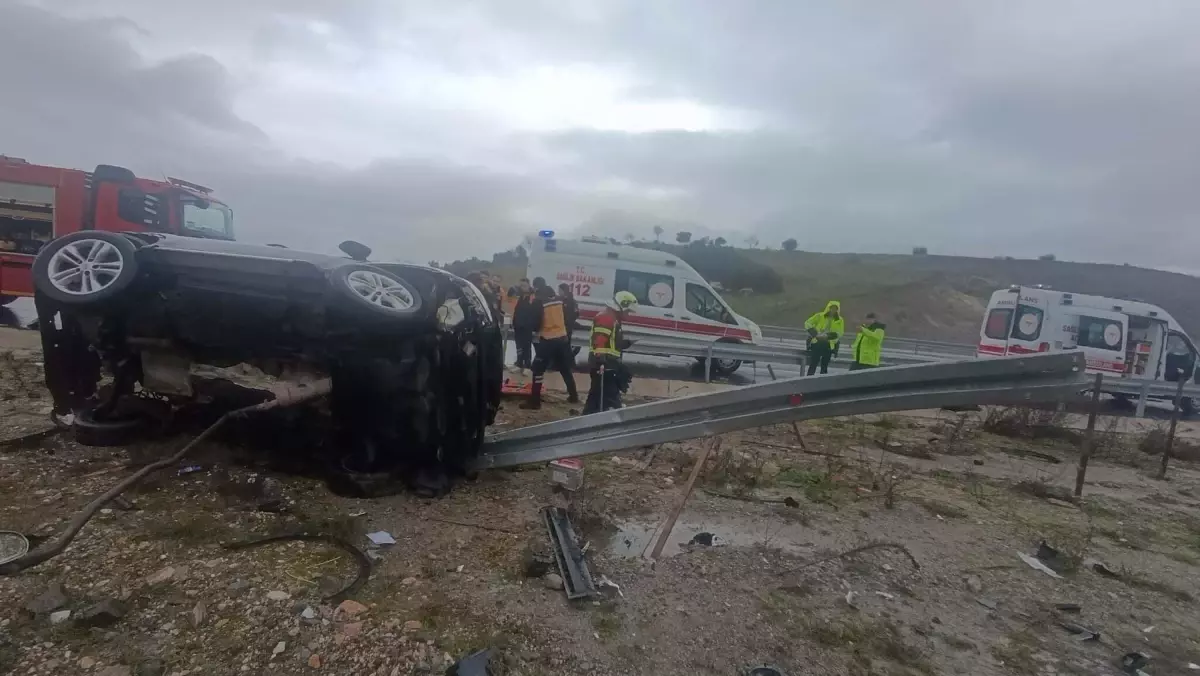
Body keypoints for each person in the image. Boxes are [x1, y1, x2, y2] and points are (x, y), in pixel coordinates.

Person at [521, 285, 580, 409]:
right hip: (562, 338)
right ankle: (574, 396)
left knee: (538, 370)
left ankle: (535, 402)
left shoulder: (539, 303)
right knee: (565, 368)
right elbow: (567, 318)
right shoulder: (560, 301)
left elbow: (536, 324)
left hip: (548, 340)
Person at [583, 291, 638, 414]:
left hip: (608, 365)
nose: (628, 314)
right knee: (608, 398)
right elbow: (600, 340)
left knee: (596, 399)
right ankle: (609, 418)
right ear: (622, 306)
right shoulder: (606, 318)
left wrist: (624, 343)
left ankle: (589, 418)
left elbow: (609, 342)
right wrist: (601, 360)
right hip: (604, 366)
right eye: (628, 311)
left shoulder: (612, 318)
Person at [804, 300, 844, 375]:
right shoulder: (819, 316)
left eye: (835, 308)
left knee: (824, 366)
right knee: (813, 364)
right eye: (832, 308)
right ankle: (808, 379)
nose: (833, 310)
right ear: (828, 308)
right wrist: (815, 334)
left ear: (837, 310)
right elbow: (807, 323)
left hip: (829, 345)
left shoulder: (839, 320)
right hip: (817, 343)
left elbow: (840, 333)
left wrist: (827, 336)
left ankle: (823, 380)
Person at [510, 278, 536, 371]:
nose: (522, 287)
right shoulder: (519, 296)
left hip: (527, 325)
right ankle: (519, 363)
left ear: (529, 285)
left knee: (526, 345)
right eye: (521, 286)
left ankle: (527, 365)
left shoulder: (533, 296)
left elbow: (534, 311)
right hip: (518, 324)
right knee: (519, 345)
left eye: (524, 286)